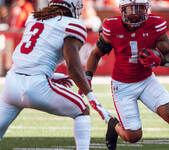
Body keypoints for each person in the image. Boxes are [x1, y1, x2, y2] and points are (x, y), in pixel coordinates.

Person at [0, 0, 110, 150]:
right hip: (36, 86)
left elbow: (32, 56)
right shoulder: (71, 25)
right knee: (82, 109)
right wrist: (92, 97)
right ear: (72, 7)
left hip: (11, 83)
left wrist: (51, 76)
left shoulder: (35, 18)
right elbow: (73, 66)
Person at [80, 0, 169, 149]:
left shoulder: (155, 24)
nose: (135, 13)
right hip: (123, 85)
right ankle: (113, 125)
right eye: (130, 9)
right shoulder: (112, 26)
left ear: (146, 9)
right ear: (122, 10)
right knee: (133, 136)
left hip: (147, 81)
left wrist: (160, 60)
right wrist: (88, 77)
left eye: (139, 8)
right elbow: (95, 54)